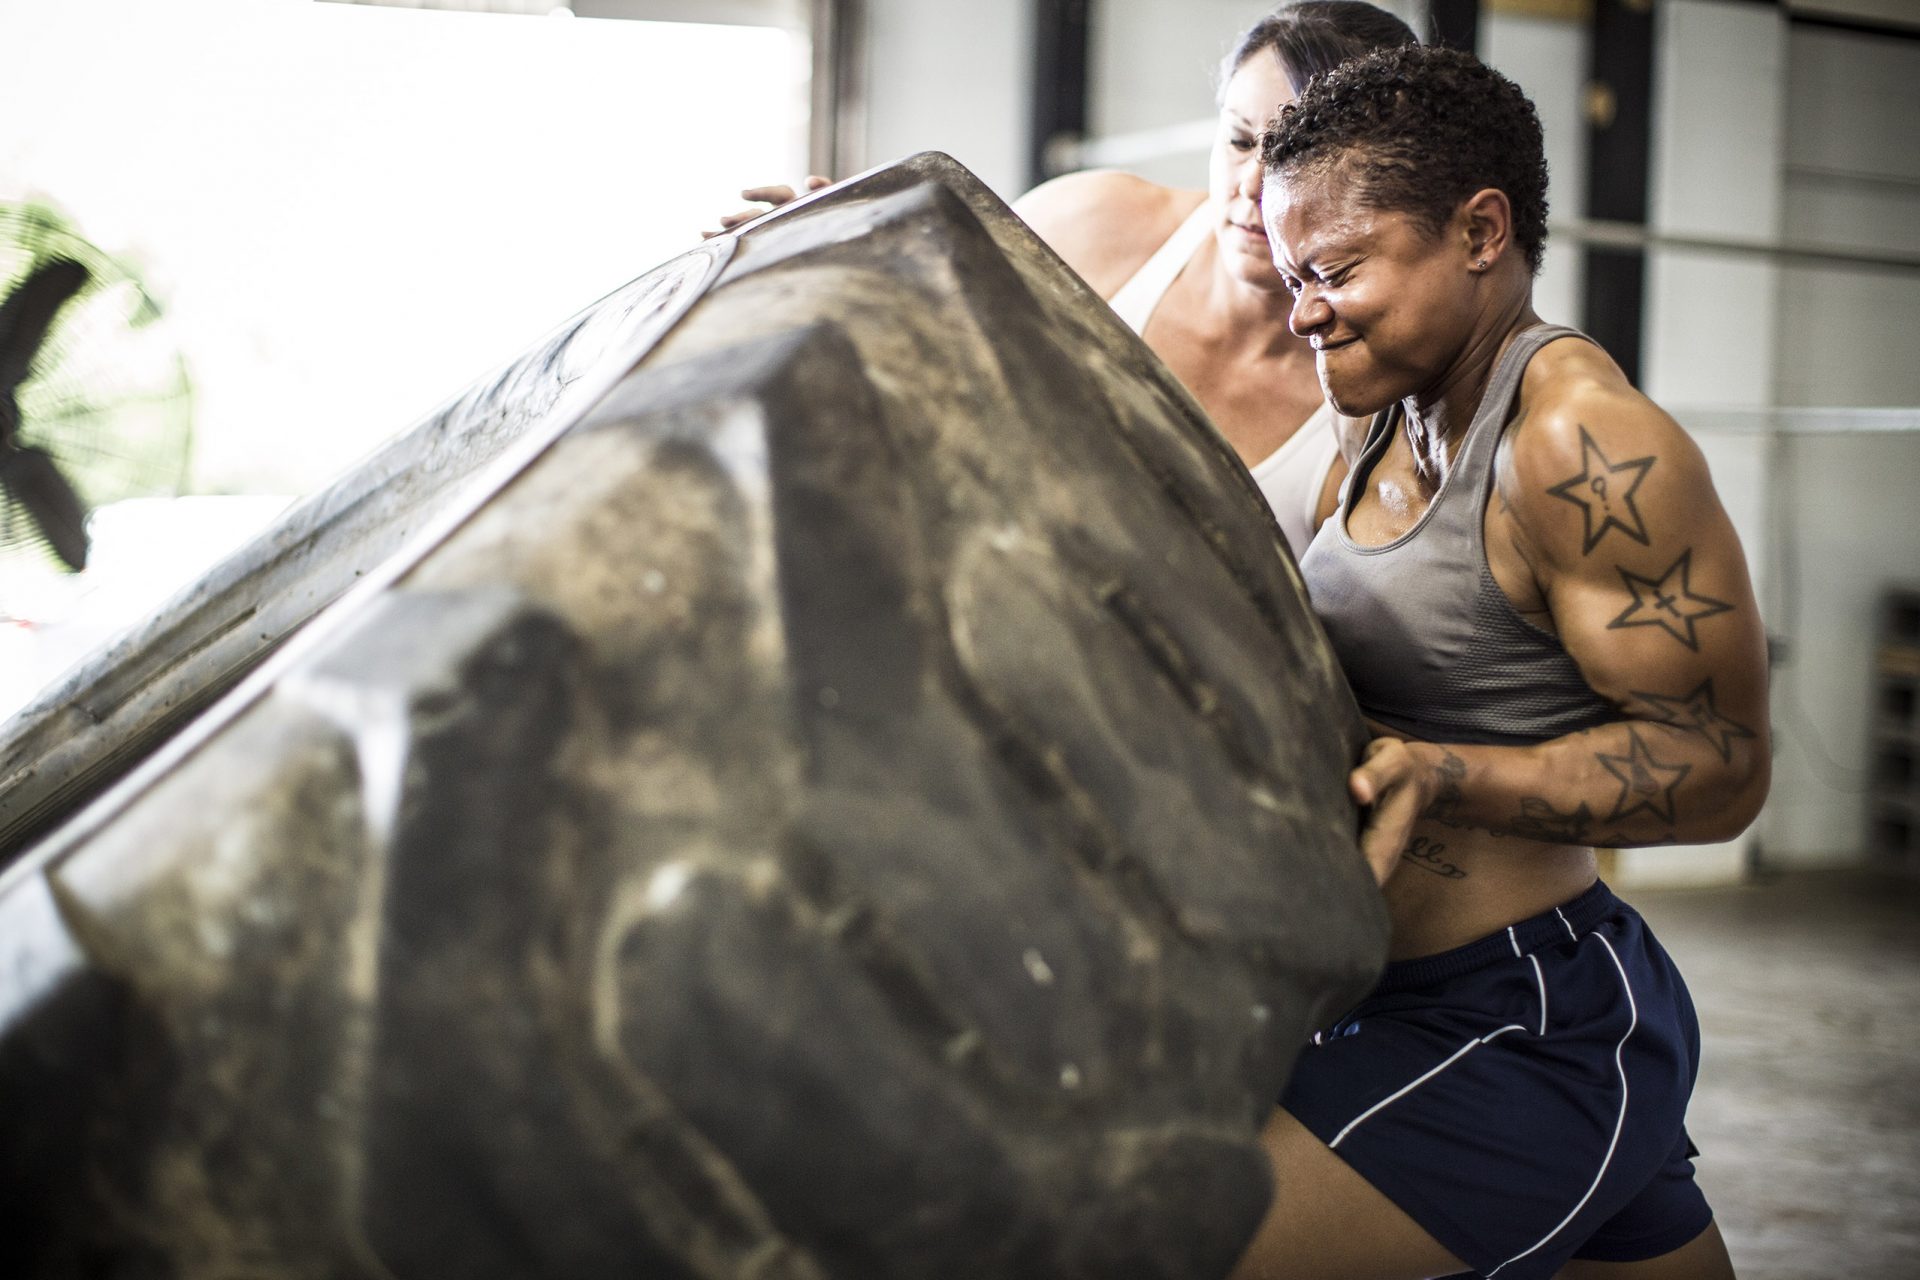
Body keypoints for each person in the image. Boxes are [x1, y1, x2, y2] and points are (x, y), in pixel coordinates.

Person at [1230, 43, 1768, 1279]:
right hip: (1377, 991)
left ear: (1480, 231)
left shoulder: (1580, 445)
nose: (1302, 308)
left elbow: (1720, 765)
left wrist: (1444, 772)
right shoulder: (1369, 412)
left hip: (1518, 1013)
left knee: (1163, 1240)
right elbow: (1193, 529)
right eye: (1293, 272)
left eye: (1339, 270)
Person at [708, 1, 1417, 559]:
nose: (1252, 186)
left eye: (1296, 154)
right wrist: (835, 248)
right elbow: (908, 308)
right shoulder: (1096, 221)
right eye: (1236, 140)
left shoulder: (1377, 403)